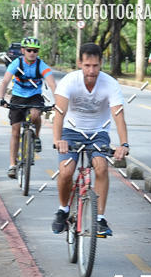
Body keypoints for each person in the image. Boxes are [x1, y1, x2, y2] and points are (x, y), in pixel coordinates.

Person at [51, 42, 128, 238]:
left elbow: (118, 115)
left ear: (101, 63)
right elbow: (59, 113)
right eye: (87, 66)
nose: (91, 71)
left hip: (98, 132)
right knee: (66, 170)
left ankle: (100, 218)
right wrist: (58, 139)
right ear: (79, 64)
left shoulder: (110, 84)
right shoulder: (69, 81)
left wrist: (124, 144)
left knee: (101, 167)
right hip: (71, 131)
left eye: (95, 66)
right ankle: (63, 209)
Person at [0, 36, 57, 179]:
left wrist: (58, 102)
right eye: (29, 50)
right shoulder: (16, 63)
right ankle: (12, 165)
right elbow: (5, 81)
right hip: (18, 96)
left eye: (35, 51)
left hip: (35, 96)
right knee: (15, 131)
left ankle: (36, 136)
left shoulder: (41, 65)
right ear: (23, 50)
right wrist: (1, 98)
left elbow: (53, 84)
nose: (32, 53)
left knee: (36, 114)